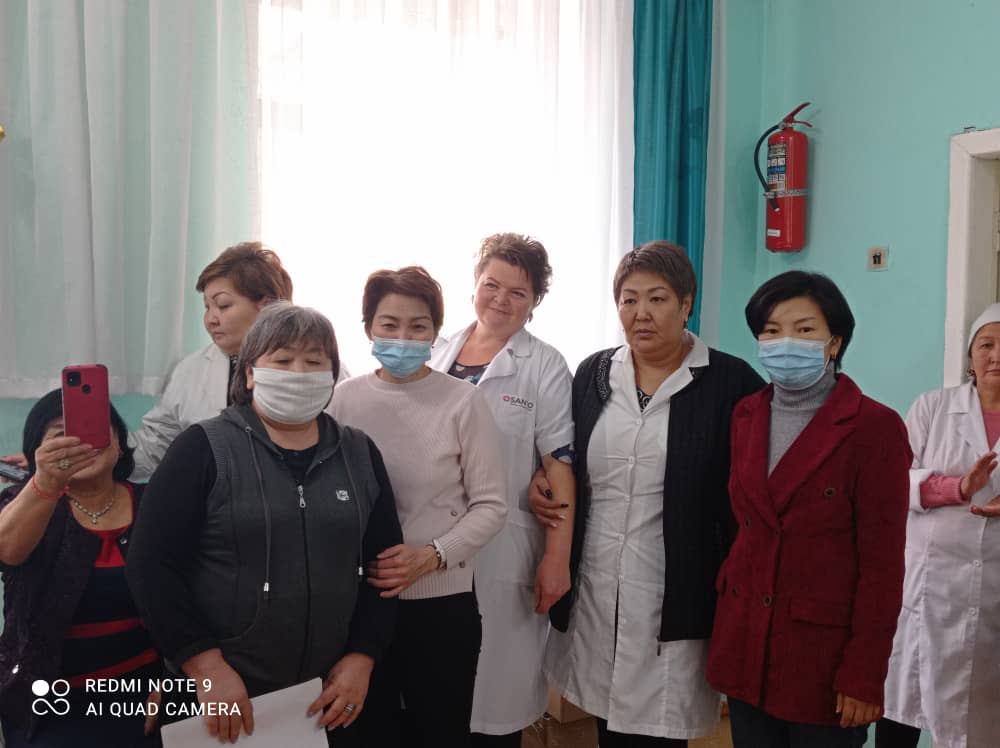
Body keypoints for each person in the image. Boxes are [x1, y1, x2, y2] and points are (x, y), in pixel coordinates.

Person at [125, 302, 402, 746]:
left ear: (333, 375)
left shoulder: (359, 453)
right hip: (219, 692)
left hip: (327, 694)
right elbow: (150, 565)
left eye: (314, 362)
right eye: (283, 360)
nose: (298, 373)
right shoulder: (203, 448)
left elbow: (385, 567)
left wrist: (362, 656)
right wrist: (205, 666)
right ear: (251, 373)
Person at [535, 241, 765, 746]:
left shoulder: (732, 382)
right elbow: (564, 454)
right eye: (629, 299)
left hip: (679, 591)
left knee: (659, 730)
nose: (641, 313)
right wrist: (541, 477)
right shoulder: (594, 373)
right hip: (597, 582)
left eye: (657, 299)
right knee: (606, 724)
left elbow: (751, 492)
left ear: (687, 304)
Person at [706, 271, 912, 748]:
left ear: (834, 342)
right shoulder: (746, 415)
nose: (785, 343)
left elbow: (882, 568)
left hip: (821, 659)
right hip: (745, 644)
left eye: (804, 330)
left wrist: (865, 673)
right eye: (771, 331)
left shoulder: (874, 427)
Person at [330, 265, 507, 748]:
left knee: (441, 731)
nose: (403, 338)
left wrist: (431, 556)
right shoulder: (342, 401)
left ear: (435, 331)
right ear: (368, 327)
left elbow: (491, 505)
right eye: (389, 325)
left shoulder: (463, 402)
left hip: (441, 605)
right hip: (359, 605)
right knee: (364, 734)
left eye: (418, 326)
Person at [429, 233, 575, 747]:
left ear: (535, 302)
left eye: (518, 292)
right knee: (432, 699)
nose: (501, 300)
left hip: (503, 552)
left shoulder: (544, 365)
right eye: (492, 284)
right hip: (430, 549)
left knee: (495, 710)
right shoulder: (436, 350)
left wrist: (557, 559)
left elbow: (559, 464)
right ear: (474, 284)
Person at [0, 242, 295, 480]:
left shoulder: (308, 370)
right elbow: (155, 445)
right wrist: (70, 457)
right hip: (213, 513)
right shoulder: (191, 371)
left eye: (223, 305)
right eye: (207, 307)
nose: (211, 319)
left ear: (267, 306)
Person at [0, 392, 160, 747]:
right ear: (37, 450)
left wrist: (176, 681)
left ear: (119, 443)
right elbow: (7, 552)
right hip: (47, 703)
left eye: (94, 430)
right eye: (61, 435)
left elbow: (193, 594)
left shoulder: (154, 503)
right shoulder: (25, 503)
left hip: (148, 690)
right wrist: (45, 483)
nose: (81, 444)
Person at [878, 302, 1000, 748]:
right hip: (928, 588)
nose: (996, 356)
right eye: (986, 344)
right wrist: (958, 488)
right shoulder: (933, 406)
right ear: (970, 355)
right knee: (904, 703)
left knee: (981, 715)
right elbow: (895, 481)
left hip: (992, 595)